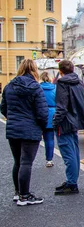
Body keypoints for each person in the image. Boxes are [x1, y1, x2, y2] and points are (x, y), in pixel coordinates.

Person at [0, 59, 48, 205]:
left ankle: (18, 192)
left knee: (18, 162)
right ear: (34, 70)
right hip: (30, 129)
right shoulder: (35, 87)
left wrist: (12, 118)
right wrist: (41, 126)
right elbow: (42, 112)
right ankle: (25, 196)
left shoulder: (9, 86)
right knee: (26, 162)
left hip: (13, 129)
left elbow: (3, 108)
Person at [53, 59, 84, 195]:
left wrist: (55, 122)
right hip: (76, 121)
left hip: (65, 122)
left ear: (60, 71)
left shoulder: (62, 83)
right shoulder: (80, 83)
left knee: (68, 153)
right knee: (74, 152)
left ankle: (71, 183)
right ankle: (72, 180)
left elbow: (61, 107)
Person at [40, 72, 57, 167]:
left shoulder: (37, 88)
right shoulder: (55, 88)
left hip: (39, 114)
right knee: (49, 139)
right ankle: (49, 160)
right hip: (51, 114)